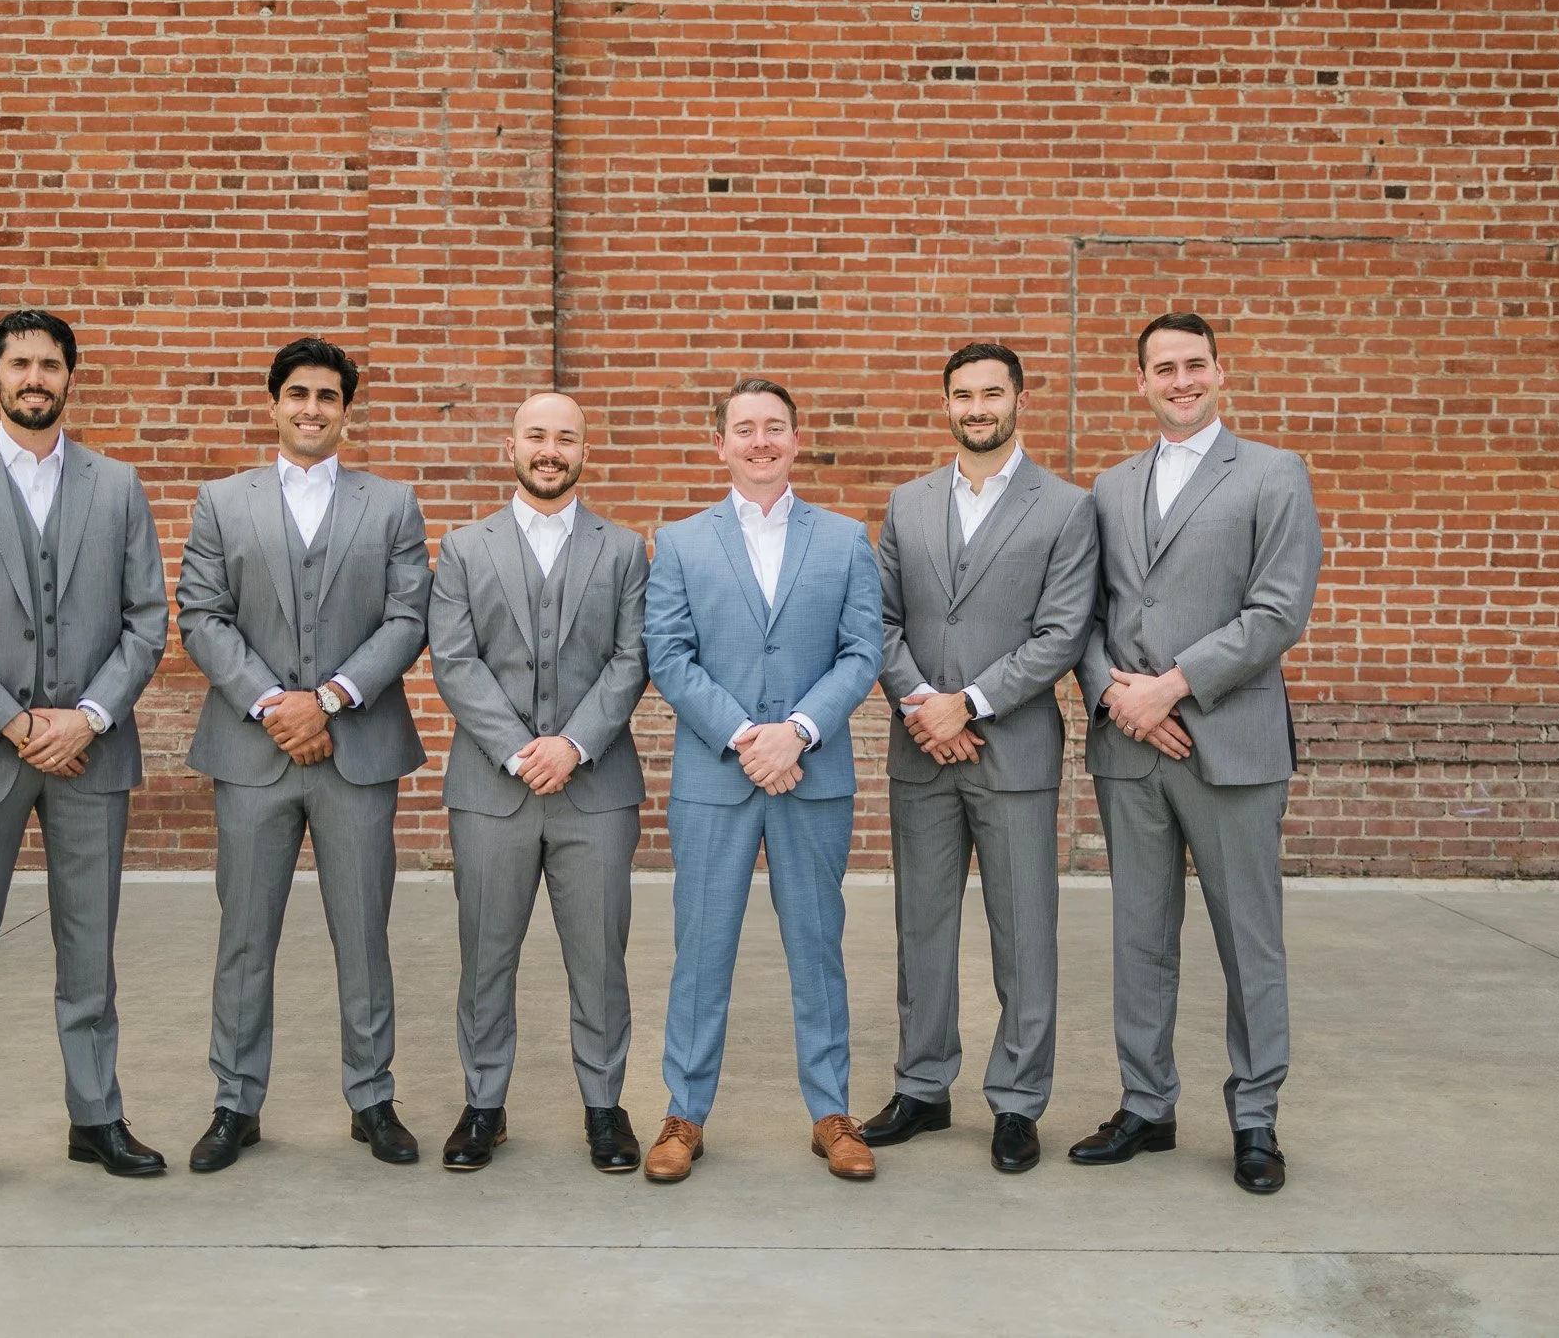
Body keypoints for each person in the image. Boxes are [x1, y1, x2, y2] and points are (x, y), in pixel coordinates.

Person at [0, 309, 170, 1202]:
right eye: (19, 363)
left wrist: (85, 718)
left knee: (89, 946)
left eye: (50, 364)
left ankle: (95, 1117)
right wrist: (20, 725)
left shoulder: (118, 485)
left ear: (71, 378)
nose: (35, 378)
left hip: (92, 753)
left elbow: (145, 621)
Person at [1069, 313, 1323, 1195]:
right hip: (1130, 745)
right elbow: (1085, 613)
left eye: (1194, 365)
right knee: (1141, 935)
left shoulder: (1272, 474)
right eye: (1162, 369)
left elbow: (1277, 610)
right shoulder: (1108, 486)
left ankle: (1256, 1116)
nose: (1180, 380)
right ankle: (1147, 1103)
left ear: (1222, 372)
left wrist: (1168, 688)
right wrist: (1115, 695)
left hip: (1231, 744)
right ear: (1139, 381)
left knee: (1247, 936)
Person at [173, 337, 433, 1172]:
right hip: (252, 752)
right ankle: (235, 1101)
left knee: (363, 933)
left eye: (327, 395)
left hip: (357, 750)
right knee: (245, 936)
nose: (311, 408)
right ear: (273, 402)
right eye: (297, 393)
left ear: (346, 409)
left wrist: (325, 699)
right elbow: (202, 614)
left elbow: (406, 618)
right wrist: (272, 704)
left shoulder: (392, 504)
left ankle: (372, 1097)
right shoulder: (222, 501)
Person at [640, 376, 884, 1183]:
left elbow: (861, 653)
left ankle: (831, 1113)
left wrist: (799, 732)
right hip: (718, 775)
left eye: (774, 425)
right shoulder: (678, 543)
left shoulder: (847, 540)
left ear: (795, 437)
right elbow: (670, 657)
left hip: (812, 774)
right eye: (743, 428)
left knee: (817, 946)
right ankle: (684, 1112)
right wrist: (749, 736)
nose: (759, 440)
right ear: (720, 444)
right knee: (701, 948)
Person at [865, 342, 1098, 1173]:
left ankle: (1016, 1100)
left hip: (1014, 749)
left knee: (1023, 931)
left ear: (1019, 399)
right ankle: (923, 1086)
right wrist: (925, 705)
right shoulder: (907, 503)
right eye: (962, 394)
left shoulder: (1067, 508)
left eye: (991, 393)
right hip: (921, 748)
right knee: (920, 927)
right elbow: (879, 619)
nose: (976, 407)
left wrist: (973, 702)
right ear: (946, 405)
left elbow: (1062, 631)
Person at [427, 393, 652, 1173]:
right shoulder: (461, 548)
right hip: (493, 787)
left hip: (597, 788)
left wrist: (576, 745)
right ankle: (484, 1104)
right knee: (486, 952)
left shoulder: (624, 550)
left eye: (565, 437)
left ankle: (605, 1106)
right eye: (536, 435)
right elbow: (453, 660)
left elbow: (632, 660)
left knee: (599, 955)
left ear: (586, 448)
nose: (550, 449)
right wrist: (523, 750)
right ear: (509, 445)